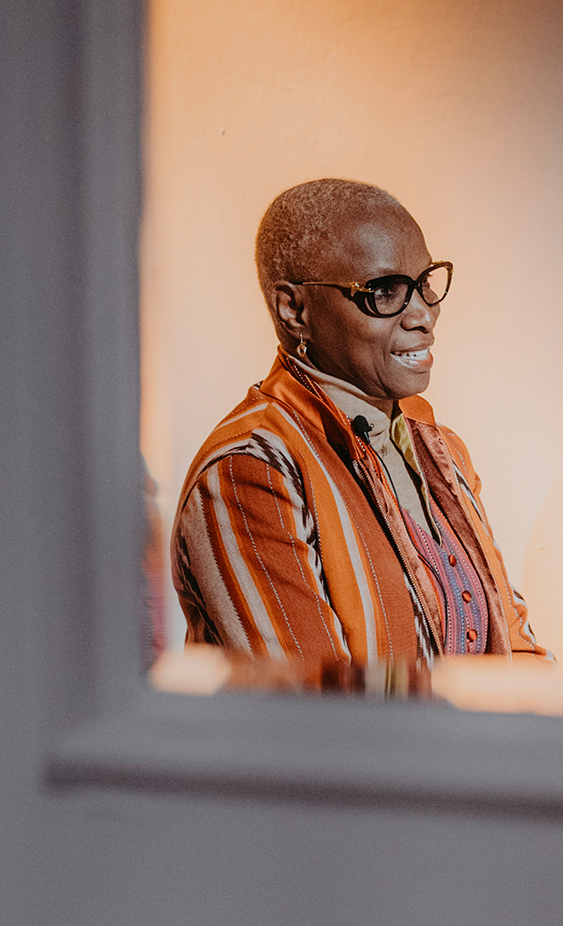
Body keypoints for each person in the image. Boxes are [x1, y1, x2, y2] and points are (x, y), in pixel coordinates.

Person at [172, 179, 543, 667]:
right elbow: (322, 716)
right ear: (294, 310)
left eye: (425, 283)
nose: (423, 315)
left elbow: (515, 647)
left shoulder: (440, 450)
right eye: (384, 291)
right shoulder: (250, 470)